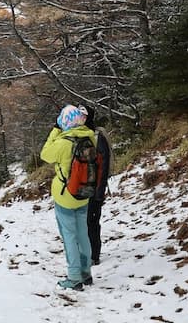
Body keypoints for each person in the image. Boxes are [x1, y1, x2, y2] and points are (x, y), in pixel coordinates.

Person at [40, 104, 97, 290]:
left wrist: (55, 131)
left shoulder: (63, 143)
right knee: (83, 234)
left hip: (65, 195)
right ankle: (86, 272)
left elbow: (45, 154)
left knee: (69, 236)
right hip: (84, 193)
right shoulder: (89, 137)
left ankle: (74, 277)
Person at [83, 107, 111, 265]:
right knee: (86, 222)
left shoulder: (97, 136)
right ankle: (89, 253)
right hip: (83, 188)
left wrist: (100, 190)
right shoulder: (81, 135)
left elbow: (103, 164)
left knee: (91, 222)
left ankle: (94, 255)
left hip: (94, 188)